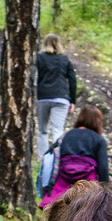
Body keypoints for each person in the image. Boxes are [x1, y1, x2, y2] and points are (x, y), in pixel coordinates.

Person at [42, 104, 110, 205]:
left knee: (59, 207)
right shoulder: (99, 139)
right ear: (97, 121)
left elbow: (48, 155)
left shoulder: (66, 135)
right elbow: (103, 167)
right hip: (88, 181)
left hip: (63, 178)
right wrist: (106, 190)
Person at [34, 33, 79, 162]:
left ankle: (42, 159)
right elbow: (72, 80)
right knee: (58, 130)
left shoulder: (39, 58)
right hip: (61, 98)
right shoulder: (64, 59)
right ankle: (55, 159)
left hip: (43, 97)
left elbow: (34, 77)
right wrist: (72, 100)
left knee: (42, 129)